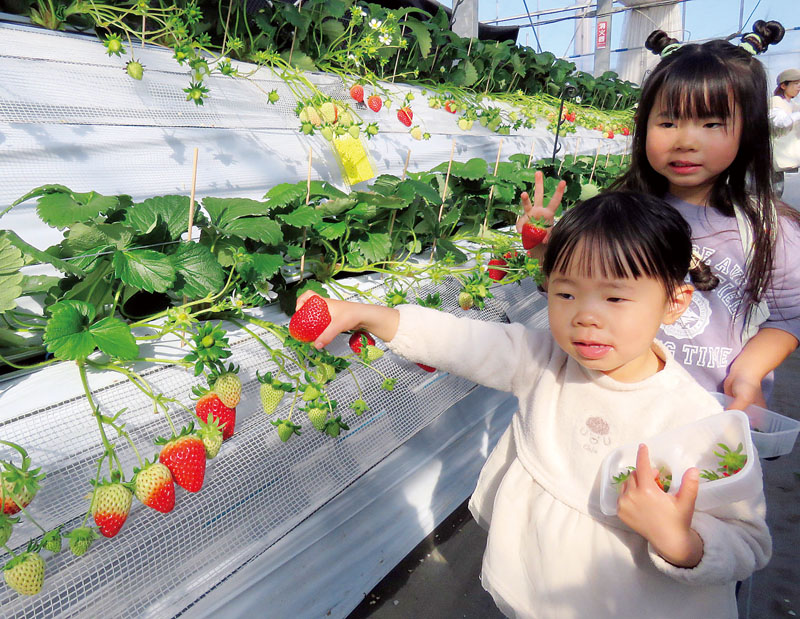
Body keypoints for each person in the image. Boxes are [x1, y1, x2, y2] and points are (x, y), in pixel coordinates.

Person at [296, 192, 771, 619]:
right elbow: (463, 341)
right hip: (533, 586)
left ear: (675, 302)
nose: (585, 315)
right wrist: (365, 314)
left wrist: (680, 542)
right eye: (565, 293)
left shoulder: (698, 421)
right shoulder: (546, 360)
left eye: (615, 297)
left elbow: (748, 540)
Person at [519, 21, 800, 412]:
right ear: (644, 126)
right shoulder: (620, 212)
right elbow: (573, 284)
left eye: (712, 123)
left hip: (709, 412)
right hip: (612, 405)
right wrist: (541, 243)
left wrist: (749, 372)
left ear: (748, 131)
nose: (685, 140)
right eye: (667, 122)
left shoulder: (768, 229)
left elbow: (788, 318)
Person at [770, 67, 800, 196]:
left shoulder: (793, 104)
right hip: (772, 155)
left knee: (777, 190)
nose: (799, 87)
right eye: (795, 83)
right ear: (783, 85)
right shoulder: (775, 101)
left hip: (782, 155)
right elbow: (780, 122)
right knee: (771, 191)